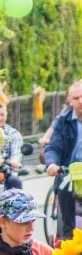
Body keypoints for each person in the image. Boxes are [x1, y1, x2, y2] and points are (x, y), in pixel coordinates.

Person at [45, 80, 82, 240]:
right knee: (64, 185)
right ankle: (67, 238)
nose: (81, 101)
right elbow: (53, 146)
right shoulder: (63, 121)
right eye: (76, 98)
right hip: (69, 174)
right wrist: (52, 164)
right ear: (69, 101)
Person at [0, 100, 24, 189]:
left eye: (2, 115)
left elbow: (16, 149)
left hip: (6, 173)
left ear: (6, 115)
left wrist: (14, 160)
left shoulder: (13, 134)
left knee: (15, 182)